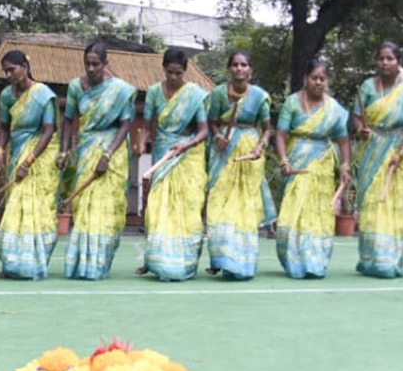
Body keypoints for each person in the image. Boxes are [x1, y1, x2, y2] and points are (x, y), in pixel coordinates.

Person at [60, 41, 136, 280]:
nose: (91, 69)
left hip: (112, 151)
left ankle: (99, 264)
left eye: (96, 64)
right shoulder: (75, 87)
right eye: (87, 64)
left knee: (105, 208)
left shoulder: (121, 90)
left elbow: (125, 124)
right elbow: (68, 120)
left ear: (105, 64)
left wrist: (107, 154)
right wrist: (64, 152)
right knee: (84, 206)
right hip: (85, 149)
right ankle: (81, 263)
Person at [349, 41, 403, 278]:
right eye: (381, 58)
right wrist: (361, 129)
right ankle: (370, 260)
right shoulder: (368, 87)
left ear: (398, 61)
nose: (385, 63)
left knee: (395, 207)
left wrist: (400, 153)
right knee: (372, 202)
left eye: (390, 58)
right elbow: (356, 118)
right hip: (373, 150)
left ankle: (390, 261)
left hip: (400, 153)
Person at [273, 58, 351, 278]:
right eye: (314, 78)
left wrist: (345, 164)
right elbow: (280, 134)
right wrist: (284, 160)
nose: (318, 82)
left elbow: (343, 139)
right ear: (306, 79)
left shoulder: (333, 108)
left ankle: (314, 262)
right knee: (293, 210)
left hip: (322, 165)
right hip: (296, 161)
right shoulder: (292, 103)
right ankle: (294, 261)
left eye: (322, 79)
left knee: (318, 213)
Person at [139, 48, 210, 280]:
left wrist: (186, 145)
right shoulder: (152, 93)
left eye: (178, 73)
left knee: (186, 210)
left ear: (185, 71)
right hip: (162, 154)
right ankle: (155, 260)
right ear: (164, 69)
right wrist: (141, 143)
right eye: (170, 72)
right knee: (159, 209)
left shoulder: (194, 95)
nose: (173, 77)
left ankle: (185, 261)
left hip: (186, 156)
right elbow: (148, 126)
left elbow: (203, 130)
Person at [204, 50, 273, 280]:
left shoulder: (260, 97)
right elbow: (212, 122)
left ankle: (243, 261)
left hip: (249, 156)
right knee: (219, 206)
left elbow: (267, 129)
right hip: (223, 155)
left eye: (244, 65)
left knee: (245, 209)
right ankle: (221, 258)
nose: (239, 69)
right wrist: (217, 138)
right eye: (235, 64)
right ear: (229, 68)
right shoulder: (218, 94)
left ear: (250, 70)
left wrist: (259, 147)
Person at [0, 49, 60, 279]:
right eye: (5, 71)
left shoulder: (43, 94)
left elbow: (49, 131)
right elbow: (3, 127)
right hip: (17, 154)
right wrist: (0, 150)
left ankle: (34, 263)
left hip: (39, 158)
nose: (8, 74)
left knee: (36, 209)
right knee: (15, 207)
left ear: (25, 66)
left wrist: (29, 161)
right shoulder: (6, 96)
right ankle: (13, 263)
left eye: (12, 69)